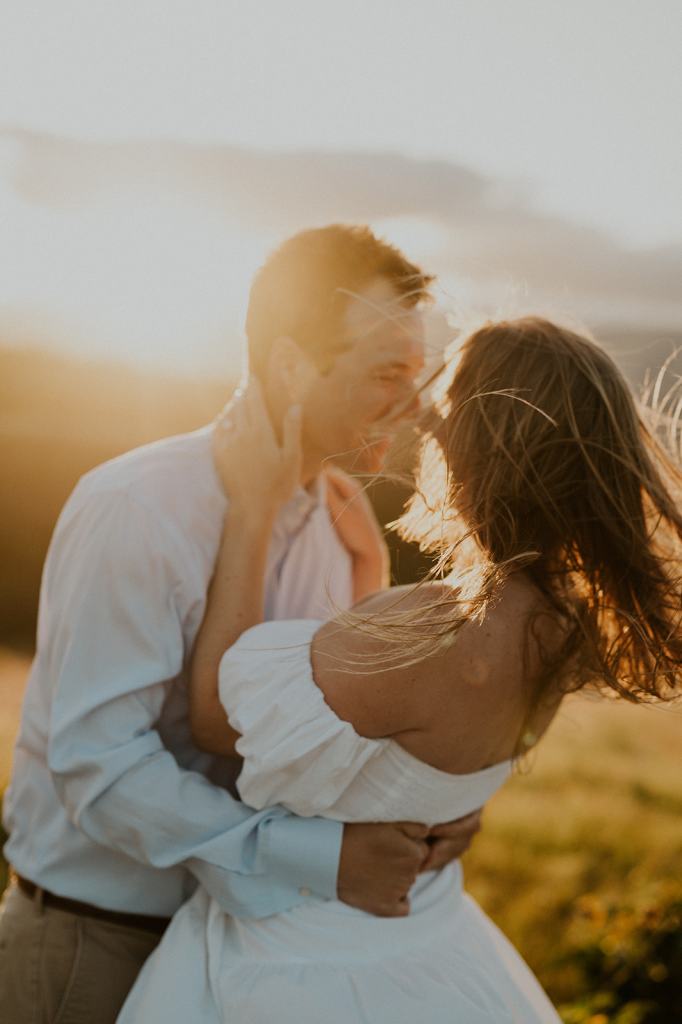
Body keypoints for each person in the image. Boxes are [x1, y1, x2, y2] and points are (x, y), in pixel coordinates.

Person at [117, 317, 681, 1023]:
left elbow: (213, 716)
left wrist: (254, 513)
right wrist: (365, 566)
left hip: (306, 966)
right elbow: (383, 731)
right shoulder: (564, 624)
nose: (423, 419)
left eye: (439, 403)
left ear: (474, 446)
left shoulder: (434, 631)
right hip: (425, 942)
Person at [0, 225, 483, 1024]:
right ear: (292, 365)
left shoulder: (338, 531)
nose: (414, 403)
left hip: (251, 960)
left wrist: (426, 815)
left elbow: (313, 749)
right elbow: (100, 767)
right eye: (386, 372)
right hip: (97, 949)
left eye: (417, 373)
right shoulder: (139, 508)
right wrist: (326, 862)